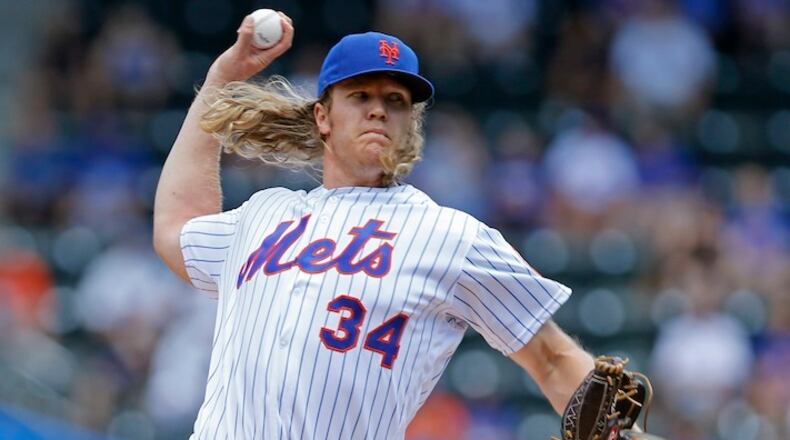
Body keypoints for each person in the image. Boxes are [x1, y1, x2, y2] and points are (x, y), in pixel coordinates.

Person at [153, 12, 595, 439]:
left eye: (395, 101)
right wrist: (219, 82)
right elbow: (177, 227)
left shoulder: (451, 237)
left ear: (411, 125)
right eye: (360, 96)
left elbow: (553, 358)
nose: (378, 110)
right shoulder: (264, 214)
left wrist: (621, 433)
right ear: (323, 118)